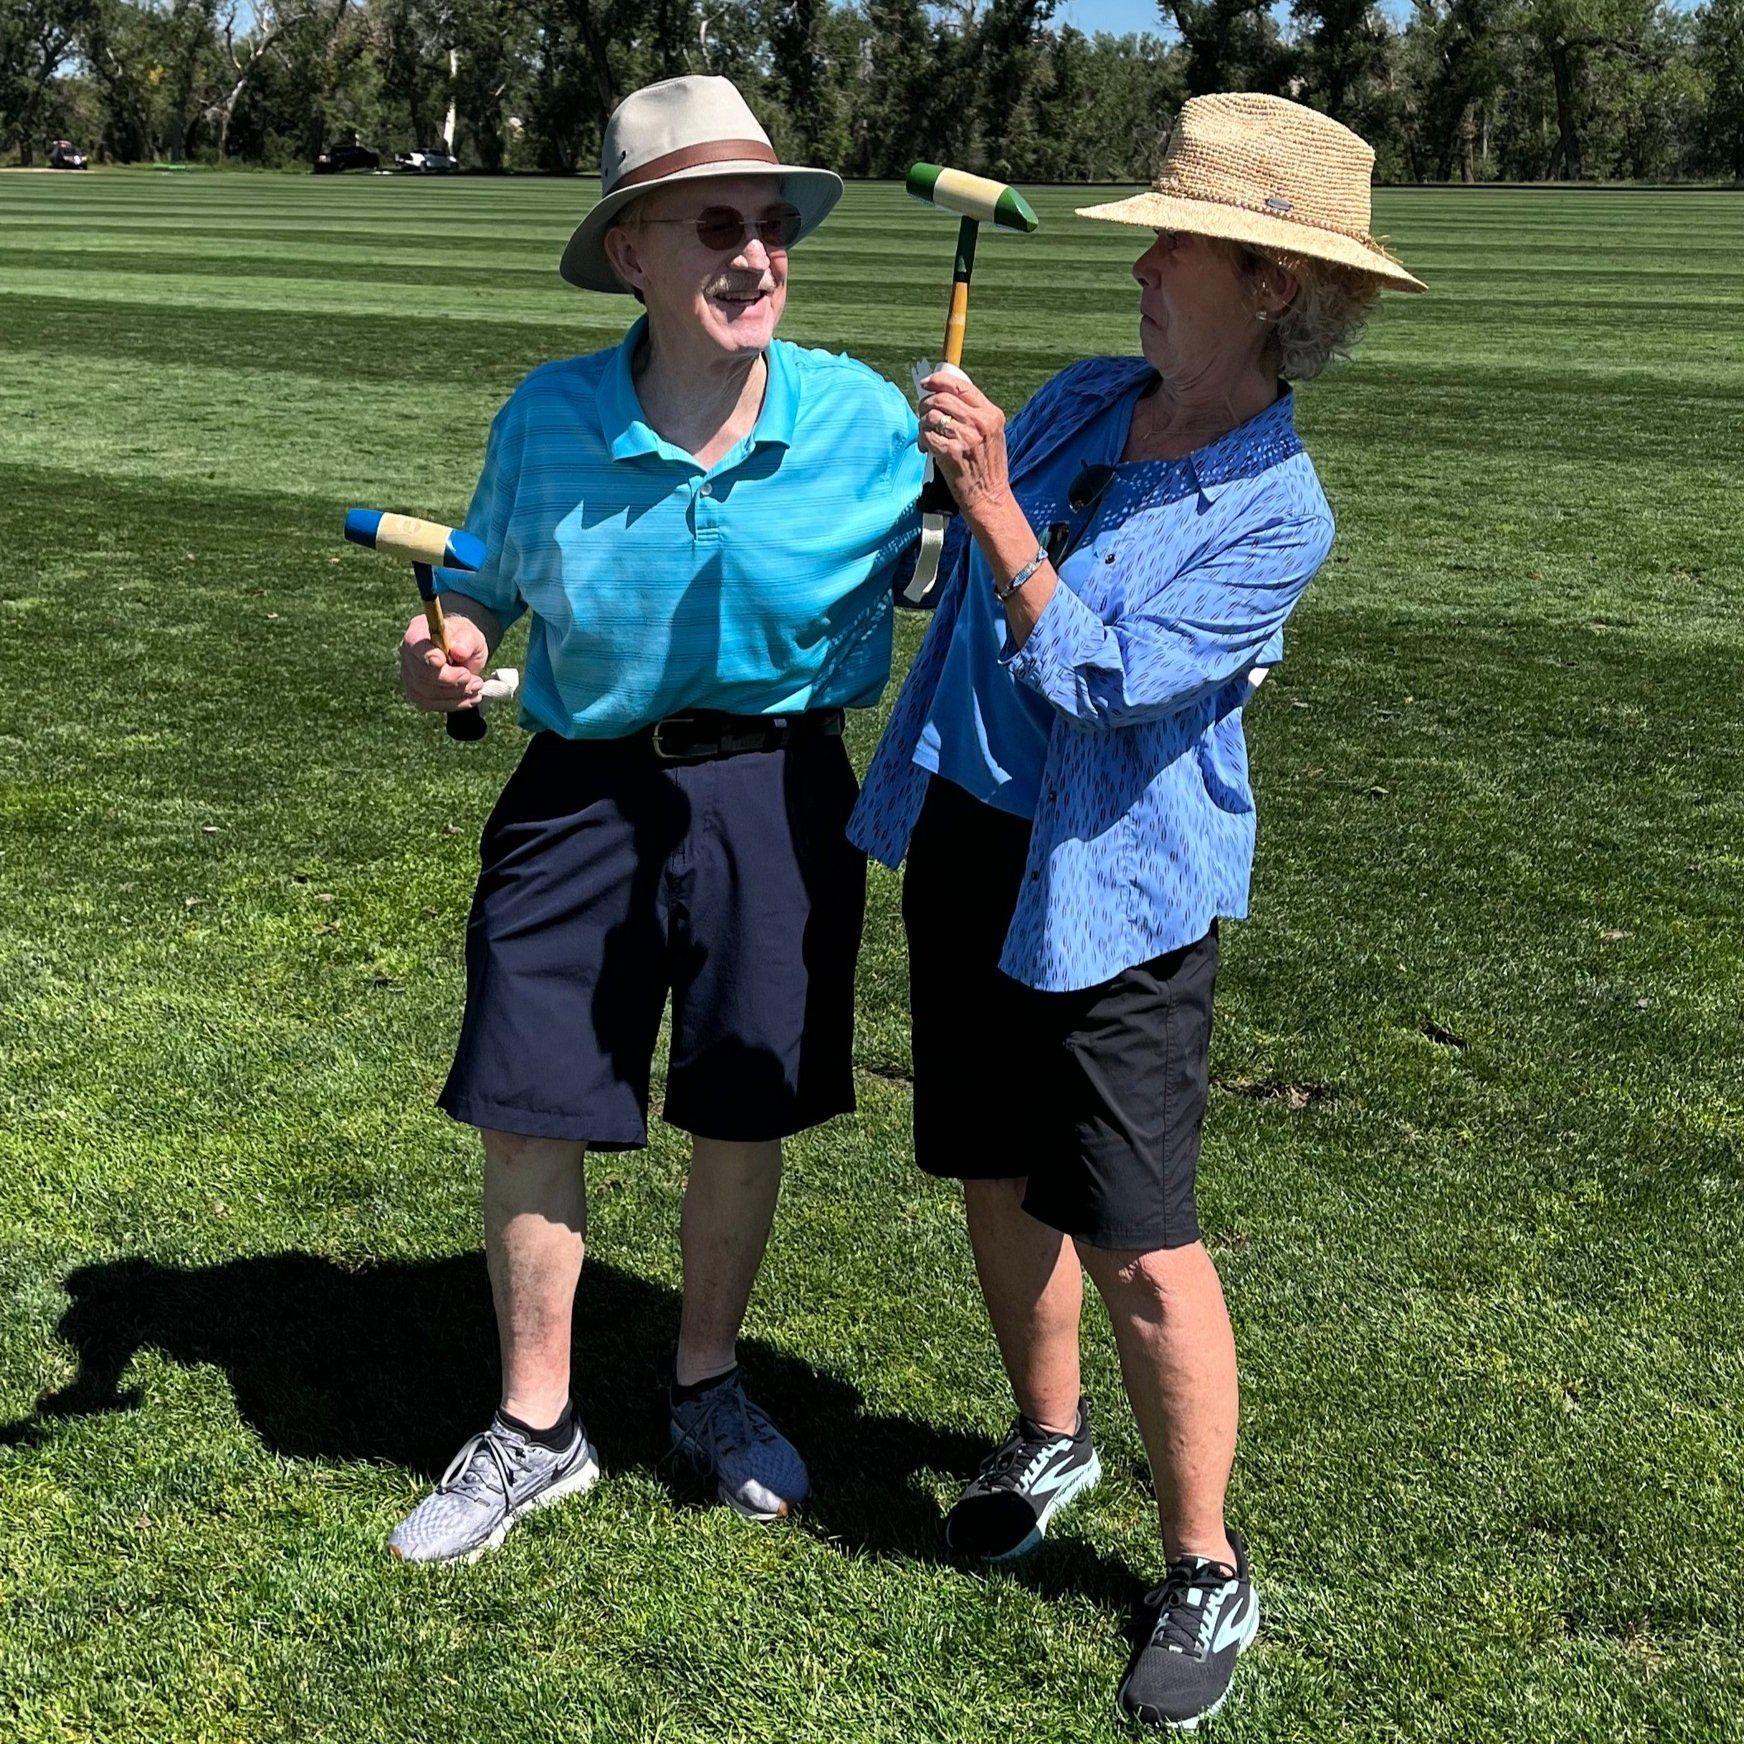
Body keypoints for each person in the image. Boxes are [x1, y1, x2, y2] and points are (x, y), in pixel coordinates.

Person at [849, 92, 1423, 1729]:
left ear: (1271, 289)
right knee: (993, 1167)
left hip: (1118, 898)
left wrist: (999, 505)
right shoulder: (1090, 397)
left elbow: (1101, 678)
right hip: (969, 832)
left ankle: (1202, 1562)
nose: (1144, 267)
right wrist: (927, 498)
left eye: (1177, 245)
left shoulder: (1276, 510)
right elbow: (946, 574)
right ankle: (1048, 1435)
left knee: (1141, 1238)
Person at [388, 74, 924, 1564]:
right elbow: (475, 609)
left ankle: (704, 1382)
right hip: (582, 790)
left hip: (780, 790)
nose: (753, 256)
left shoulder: (869, 421)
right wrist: (437, 666)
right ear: (633, 252)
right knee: (528, 1101)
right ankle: (535, 1429)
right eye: (714, 229)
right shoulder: (551, 416)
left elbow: (968, 552)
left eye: (770, 226)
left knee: (744, 1104)